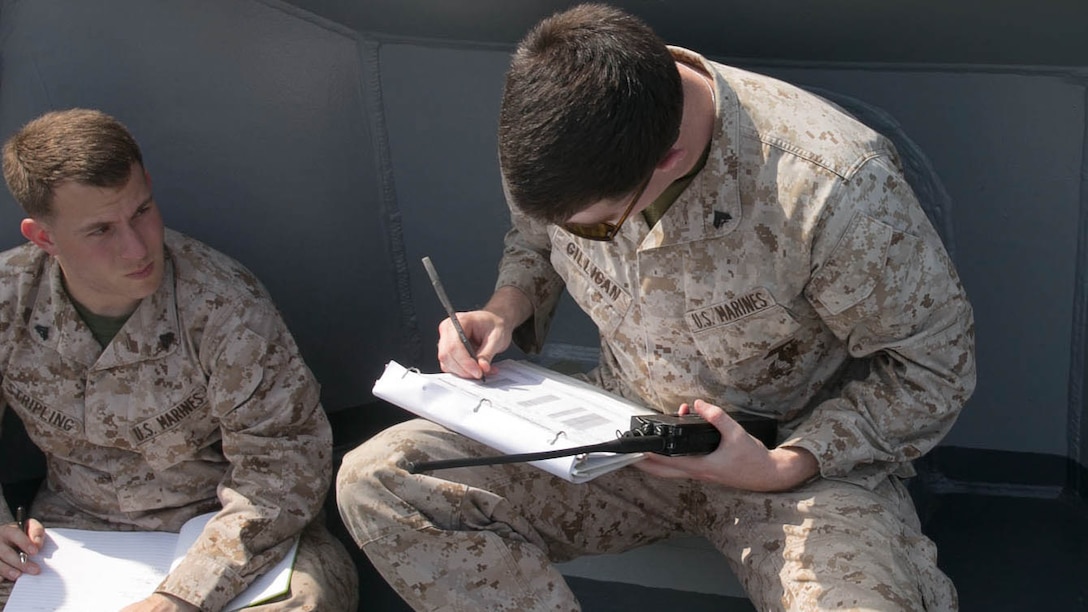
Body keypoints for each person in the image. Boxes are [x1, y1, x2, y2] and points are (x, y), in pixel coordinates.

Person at [337, 3, 975, 610]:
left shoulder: (831, 189)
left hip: (795, 459)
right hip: (622, 437)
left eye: (598, 227)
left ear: (667, 158)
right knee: (382, 479)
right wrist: (506, 307)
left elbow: (931, 370)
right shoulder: (558, 128)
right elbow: (536, 236)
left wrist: (781, 467)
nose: (578, 232)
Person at [0, 109, 358, 611]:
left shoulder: (222, 305)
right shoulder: (9, 298)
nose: (137, 247)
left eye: (142, 211)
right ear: (43, 238)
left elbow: (283, 471)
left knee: (303, 603)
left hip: (233, 530)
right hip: (72, 532)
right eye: (101, 231)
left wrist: (181, 597)